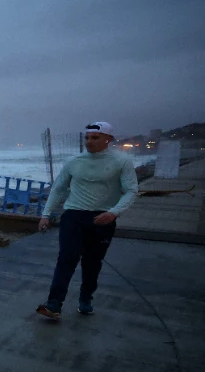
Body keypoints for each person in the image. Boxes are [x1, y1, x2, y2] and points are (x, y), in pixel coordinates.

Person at [35, 122, 138, 320]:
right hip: (74, 216)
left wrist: (115, 212)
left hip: (103, 218)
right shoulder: (74, 161)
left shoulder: (121, 161)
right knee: (66, 259)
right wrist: (45, 215)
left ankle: (86, 299)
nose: (89, 141)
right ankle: (54, 304)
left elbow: (132, 191)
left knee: (92, 263)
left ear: (108, 139)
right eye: (87, 137)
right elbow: (58, 189)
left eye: (95, 138)